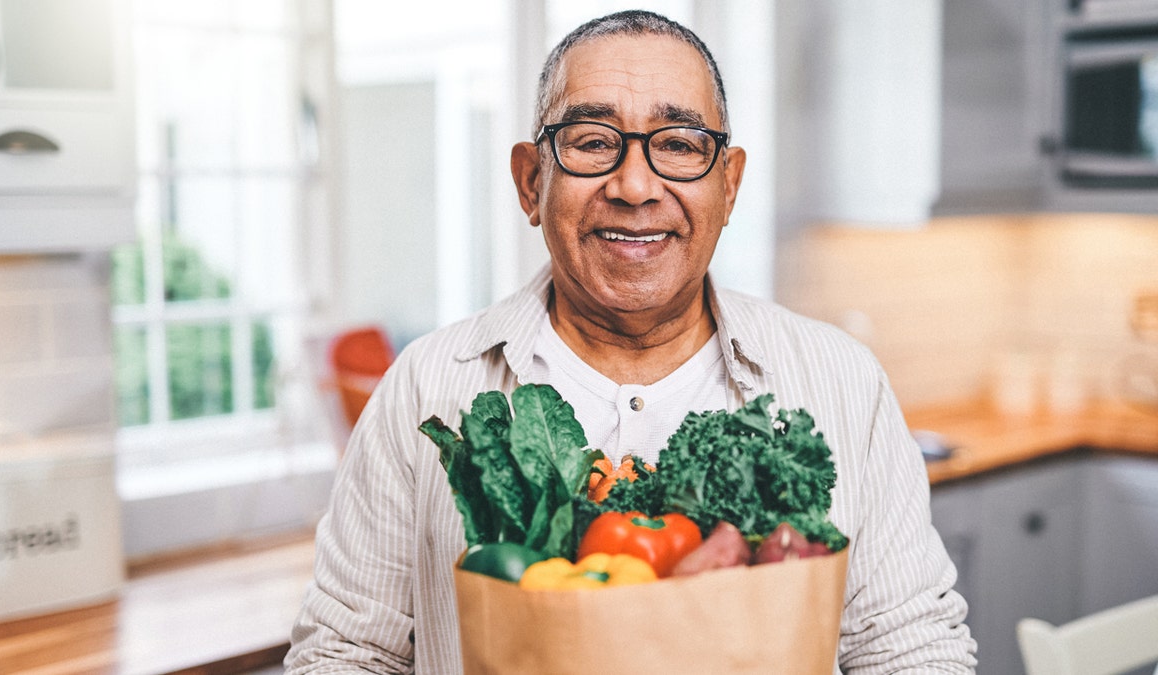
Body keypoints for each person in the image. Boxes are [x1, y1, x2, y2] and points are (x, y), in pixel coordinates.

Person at [286, 9, 978, 674]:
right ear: (532, 181)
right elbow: (346, 654)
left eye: (678, 145)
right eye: (592, 142)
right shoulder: (425, 388)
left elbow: (911, 648)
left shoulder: (843, 382)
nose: (636, 185)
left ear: (728, 186)